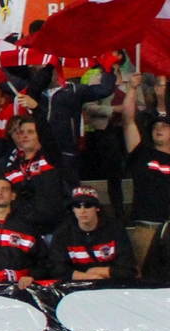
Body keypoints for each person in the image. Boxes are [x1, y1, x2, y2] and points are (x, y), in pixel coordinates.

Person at [0, 178, 45, 289]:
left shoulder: (27, 229)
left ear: (13, 196)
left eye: (4, 189)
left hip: (20, 289)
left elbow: (43, 260)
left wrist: (32, 276)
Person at [52, 186, 137, 282]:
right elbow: (55, 268)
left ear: (97, 208)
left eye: (88, 205)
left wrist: (96, 271)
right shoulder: (62, 233)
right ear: (73, 209)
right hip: (76, 287)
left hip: (110, 285)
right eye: (77, 205)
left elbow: (128, 269)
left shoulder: (115, 229)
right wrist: (85, 276)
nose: (82, 210)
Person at [122, 82, 170, 225]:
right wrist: (132, 88)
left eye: (165, 126)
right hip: (146, 224)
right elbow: (128, 121)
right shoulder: (141, 154)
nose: (158, 129)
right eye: (155, 126)